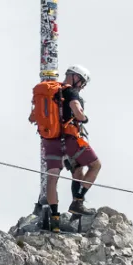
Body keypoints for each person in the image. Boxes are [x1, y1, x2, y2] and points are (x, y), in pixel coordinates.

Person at [32, 64, 101, 232]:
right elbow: (77, 111)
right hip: (70, 140)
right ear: (76, 77)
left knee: (52, 178)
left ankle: (55, 220)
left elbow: (32, 117)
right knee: (94, 165)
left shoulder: (47, 93)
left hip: (50, 142)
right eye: (82, 82)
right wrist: (83, 119)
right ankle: (78, 201)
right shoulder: (71, 92)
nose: (82, 86)